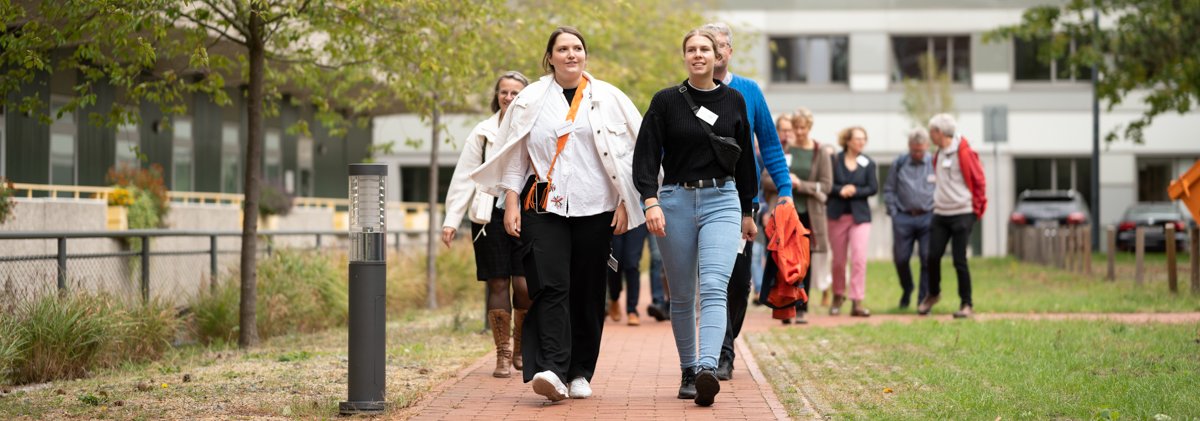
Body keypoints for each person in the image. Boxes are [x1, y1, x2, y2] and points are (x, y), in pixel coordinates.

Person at [471, 26, 644, 402]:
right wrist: (512, 200)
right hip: (544, 207)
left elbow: (630, 154)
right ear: (549, 57)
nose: (570, 54)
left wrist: (626, 201)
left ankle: (581, 370)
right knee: (550, 287)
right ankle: (551, 367)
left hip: (596, 208)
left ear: (585, 55)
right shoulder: (531, 98)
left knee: (587, 290)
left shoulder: (609, 97)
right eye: (562, 49)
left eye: (577, 48)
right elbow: (516, 153)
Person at [633, 28, 757, 407]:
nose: (699, 55)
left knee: (715, 285)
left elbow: (746, 161)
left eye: (706, 49)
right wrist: (650, 201)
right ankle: (688, 369)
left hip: (723, 199)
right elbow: (645, 156)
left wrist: (749, 210)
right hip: (675, 201)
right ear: (684, 56)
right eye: (692, 50)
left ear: (718, 56)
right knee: (684, 294)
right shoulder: (666, 101)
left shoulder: (734, 99)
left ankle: (707, 367)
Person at [699, 21, 794, 383]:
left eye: (722, 45)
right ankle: (720, 354)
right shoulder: (682, 95)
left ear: (729, 51)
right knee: (712, 281)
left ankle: (725, 341)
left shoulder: (749, 91)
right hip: (696, 199)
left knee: (738, 284)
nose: (716, 51)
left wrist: (784, 190)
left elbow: (769, 143)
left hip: (741, 202)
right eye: (709, 45)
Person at [442, 71, 531, 378]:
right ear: (497, 96)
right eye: (504, 92)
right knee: (497, 282)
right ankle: (503, 355)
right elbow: (465, 176)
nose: (509, 98)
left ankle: (520, 347)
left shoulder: (534, 126)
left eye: (515, 93)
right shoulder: (482, 132)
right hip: (487, 216)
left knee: (524, 284)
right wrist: (451, 220)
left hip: (526, 212)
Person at [918, 113, 987, 319]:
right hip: (941, 213)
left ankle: (966, 303)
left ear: (940, 132)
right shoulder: (937, 153)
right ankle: (933, 294)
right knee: (932, 257)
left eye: (931, 132)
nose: (930, 136)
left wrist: (977, 209)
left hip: (963, 212)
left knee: (959, 259)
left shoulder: (964, 153)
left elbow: (979, 181)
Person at [784, 108, 833, 324]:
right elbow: (767, 178)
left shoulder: (819, 151)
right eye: (796, 127)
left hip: (810, 215)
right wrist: (785, 182)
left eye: (803, 127)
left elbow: (826, 185)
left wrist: (800, 184)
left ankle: (802, 306)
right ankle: (785, 306)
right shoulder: (785, 149)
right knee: (785, 261)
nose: (799, 131)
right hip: (787, 214)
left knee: (805, 262)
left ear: (809, 128)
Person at [826, 126, 877, 317]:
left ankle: (857, 301)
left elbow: (873, 188)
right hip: (837, 216)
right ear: (847, 141)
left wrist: (855, 190)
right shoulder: (834, 160)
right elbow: (827, 184)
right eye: (857, 139)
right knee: (838, 261)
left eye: (863, 139)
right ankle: (838, 296)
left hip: (860, 218)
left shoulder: (868, 163)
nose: (861, 142)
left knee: (859, 259)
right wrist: (840, 190)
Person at [882, 128, 935, 310]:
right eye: (914, 150)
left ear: (927, 146)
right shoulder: (900, 163)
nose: (918, 154)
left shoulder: (935, 163)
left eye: (921, 150)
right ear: (909, 147)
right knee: (901, 258)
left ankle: (923, 300)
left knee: (927, 258)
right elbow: (889, 189)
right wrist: (894, 212)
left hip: (928, 217)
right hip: (903, 217)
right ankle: (907, 288)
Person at [607, 224, 649, 325]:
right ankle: (614, 298)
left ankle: (632, 310)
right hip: (614, 218)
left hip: (637, 219)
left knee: (632, 264)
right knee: (615, 264)